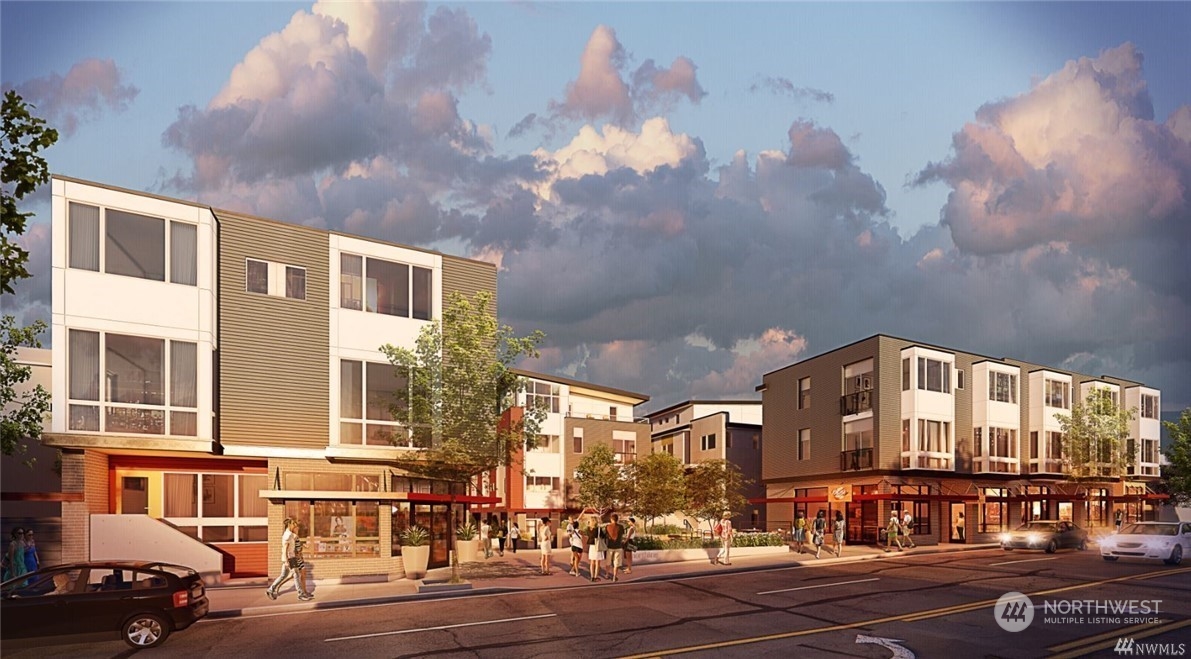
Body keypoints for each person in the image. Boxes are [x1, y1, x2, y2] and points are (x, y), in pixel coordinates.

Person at [266, 518, 313, 601]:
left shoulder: (290, 534)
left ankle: (271, 589)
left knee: (283, 575)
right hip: (290, 558)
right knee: (296, 575)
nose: (295, 526)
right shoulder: (288, 535)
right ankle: (301, 594)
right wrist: (286, 560)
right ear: (289, 525)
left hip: (290, 558)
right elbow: (285, 548)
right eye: (293, 524)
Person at [604, 513, 626, 581]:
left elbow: (606, 536)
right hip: (618, 546)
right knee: (616, 563)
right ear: (617, 519)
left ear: (611, 519)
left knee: (608, 562)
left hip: (610, 546)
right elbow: (623, 536)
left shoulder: (607, 526)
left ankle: (607, 574)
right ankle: (614, 577)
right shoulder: (621, 527)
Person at [586, 517, 606, 581]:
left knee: (592, 562)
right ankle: (595, 577)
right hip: (597, 546)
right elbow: (603, 536)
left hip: (591, 547)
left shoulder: (588, 529)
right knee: (597, 563)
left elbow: (588, 536)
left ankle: (592, 577)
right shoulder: (598, 529)